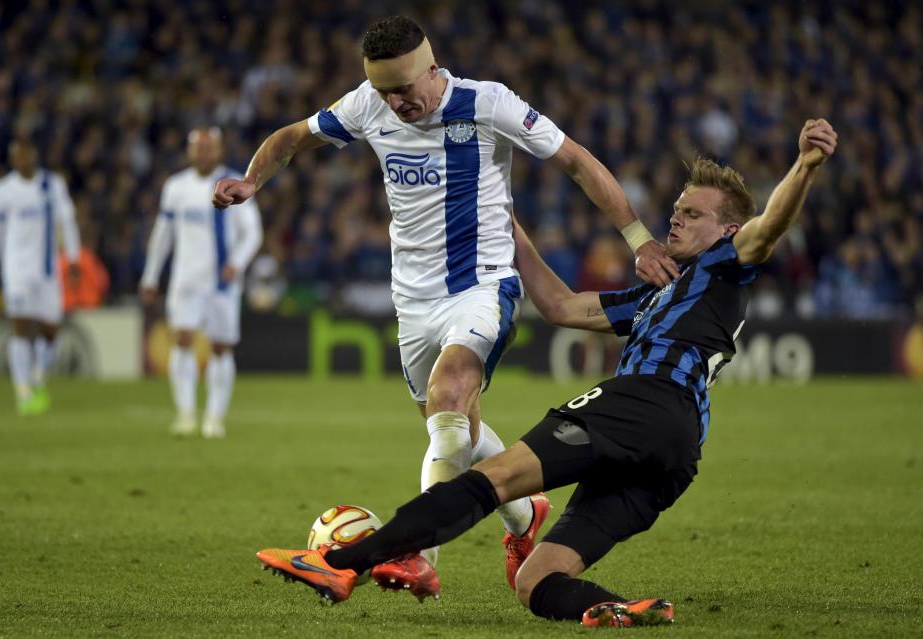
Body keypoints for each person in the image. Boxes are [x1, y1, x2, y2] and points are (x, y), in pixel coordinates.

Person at [254, 119, 838, 627]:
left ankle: (341, 565)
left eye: (692, 213)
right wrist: (506, 225)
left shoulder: (725, 266)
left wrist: (804, 166)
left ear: (726, 230)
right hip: (673, 455)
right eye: (676, 209)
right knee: (536, 582)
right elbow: (561, 307)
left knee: (493, 480)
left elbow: (769, 228)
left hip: (642, 403)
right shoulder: (657, 292)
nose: (675, 219)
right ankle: (618, 608)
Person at [213, 15, 678, 592]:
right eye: (385, 91)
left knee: (450, 394)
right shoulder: (366, 105)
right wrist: (253, 181)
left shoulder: (488, 103)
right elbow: (291, 137)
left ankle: (416, 553)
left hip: (483, 285)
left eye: (405, 89)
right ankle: (524, 512)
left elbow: (577, 162)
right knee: (451, 428)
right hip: (412, 300)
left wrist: (638, 239)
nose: (397, 102)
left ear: (433, 69)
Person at [140, 127, 263, 439]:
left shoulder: (236, 182)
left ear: (219, 151)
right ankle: (185, 413)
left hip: (222, 281)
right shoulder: (176, 187)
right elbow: (162, 235)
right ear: (190, 151)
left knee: (220, 348)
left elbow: (252, 233)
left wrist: (236, 263)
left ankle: (214, 417)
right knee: (182, 339)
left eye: (210, 148)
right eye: (199, 148)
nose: (204, 153)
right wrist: (151, 275)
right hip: (186, 279)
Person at [0, 138, 81, 416]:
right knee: (21, 327)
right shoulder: (3, 192)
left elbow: (67, 222)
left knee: (51, 331)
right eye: (18, 156)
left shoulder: (52, 185)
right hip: (17, 270)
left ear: (35, 155)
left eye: (27, 154)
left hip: (48, 272)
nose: (23, 160)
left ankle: (37, 376)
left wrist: (73, 258)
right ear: (12, 159)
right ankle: (23, 390)